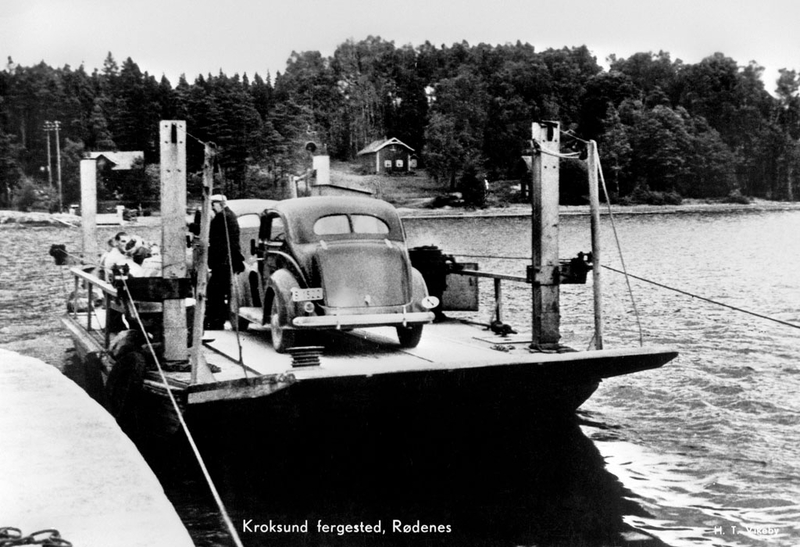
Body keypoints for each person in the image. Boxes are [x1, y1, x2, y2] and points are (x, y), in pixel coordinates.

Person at [206, 194, 244, 329]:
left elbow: (208, 232)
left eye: (212, 205)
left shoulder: (222, 217)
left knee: (215, 291)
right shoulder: (228, 215)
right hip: (225, 260)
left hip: (223, 261)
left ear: (218, 204)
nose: (211, 208)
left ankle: (216, 321)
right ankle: (217, 320)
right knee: (218, 291)